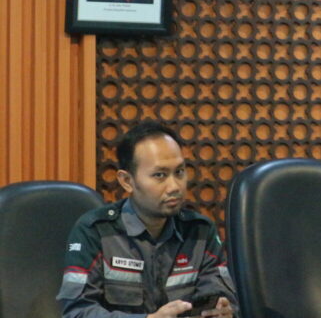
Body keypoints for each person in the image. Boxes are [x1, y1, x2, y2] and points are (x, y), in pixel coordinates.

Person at [58, 121, 236, 318]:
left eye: (179, 172)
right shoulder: (95, 231)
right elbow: (77, 312)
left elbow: (222, 296)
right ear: (127, 181)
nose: (174, 186)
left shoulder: (200, 231)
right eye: (160, 175)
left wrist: (224, 311)